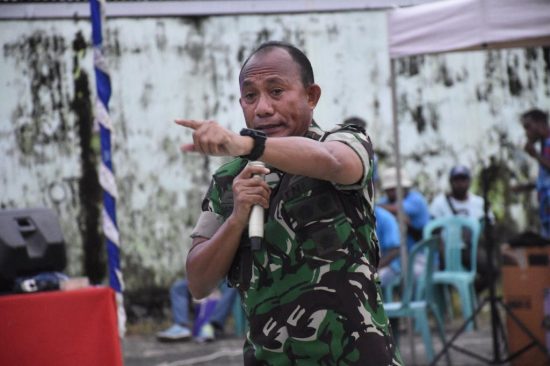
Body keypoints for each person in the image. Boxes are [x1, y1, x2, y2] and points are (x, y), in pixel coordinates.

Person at [176, 41, 402, 365]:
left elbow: (337, 163)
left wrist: (247, 145)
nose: (263, 108)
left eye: (277, 91)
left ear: (311, 96)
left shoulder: (344, 142)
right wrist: (236, 219)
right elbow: (198, 283)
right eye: (251, 96)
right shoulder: (229, 180)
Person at [429, 164, 493, 292]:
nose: (460, 183)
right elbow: (433, 232)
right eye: (456, 180)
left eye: (463, 179)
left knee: (492, 270)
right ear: (451, 182)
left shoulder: (479, 203)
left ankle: (472, 292)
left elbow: (490, 227)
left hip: (470, 250)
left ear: (469, 181)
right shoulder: (439, 203)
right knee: (438, 278)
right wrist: (442, 251)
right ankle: (446, 306)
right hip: (446, 251)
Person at [156, 279, 238, 342]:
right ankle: (181, 327)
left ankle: (212, 326)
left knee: (232, 286)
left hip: (222, 279)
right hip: (202, 277)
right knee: (178, 287)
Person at [378, 167, 430, 251]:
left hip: (421, 252)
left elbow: (396, 208)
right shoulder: (386, 201)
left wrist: (375, 207)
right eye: (389, 189)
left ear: (404, 187)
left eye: (394, 189)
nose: (392, 192)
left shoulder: (416, 199)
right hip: (399, 255)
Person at [521, 108, 550, 238]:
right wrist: (527, 187)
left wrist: (535, 154)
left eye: (528, 127)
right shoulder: (544, 145)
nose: (526, 133)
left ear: (540, 123)